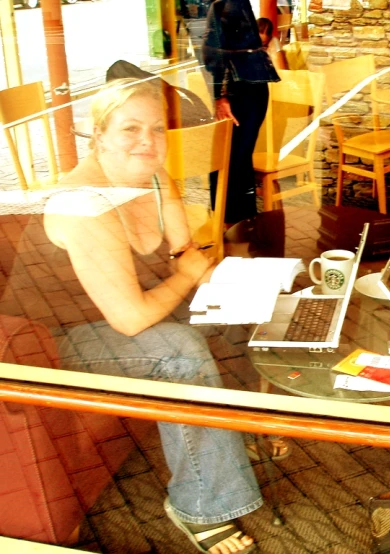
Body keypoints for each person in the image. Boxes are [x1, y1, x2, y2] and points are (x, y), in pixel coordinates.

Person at [4, 79, 281, 554]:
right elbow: (132, 319)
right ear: (100, 137)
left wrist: (241, 290)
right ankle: (200, 505)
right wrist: (191, 275)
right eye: (130, 128)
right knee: (180, 353)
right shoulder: (84, 205)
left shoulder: (150, 175)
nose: (148, 141)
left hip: (119, 312)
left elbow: (185, 253)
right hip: (48, 344)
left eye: (156, 128)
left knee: (238, 307)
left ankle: (230, 431)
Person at [203, 0, 280, 225]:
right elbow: (216, 49)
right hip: (246, 88)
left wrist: (220, 93)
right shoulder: (226, 3)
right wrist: (221, 93)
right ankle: (237, 220)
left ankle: (233, 220)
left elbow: (215, 49)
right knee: (234, 156)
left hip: (244, 89)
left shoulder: (226, 3)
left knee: (231, 156)